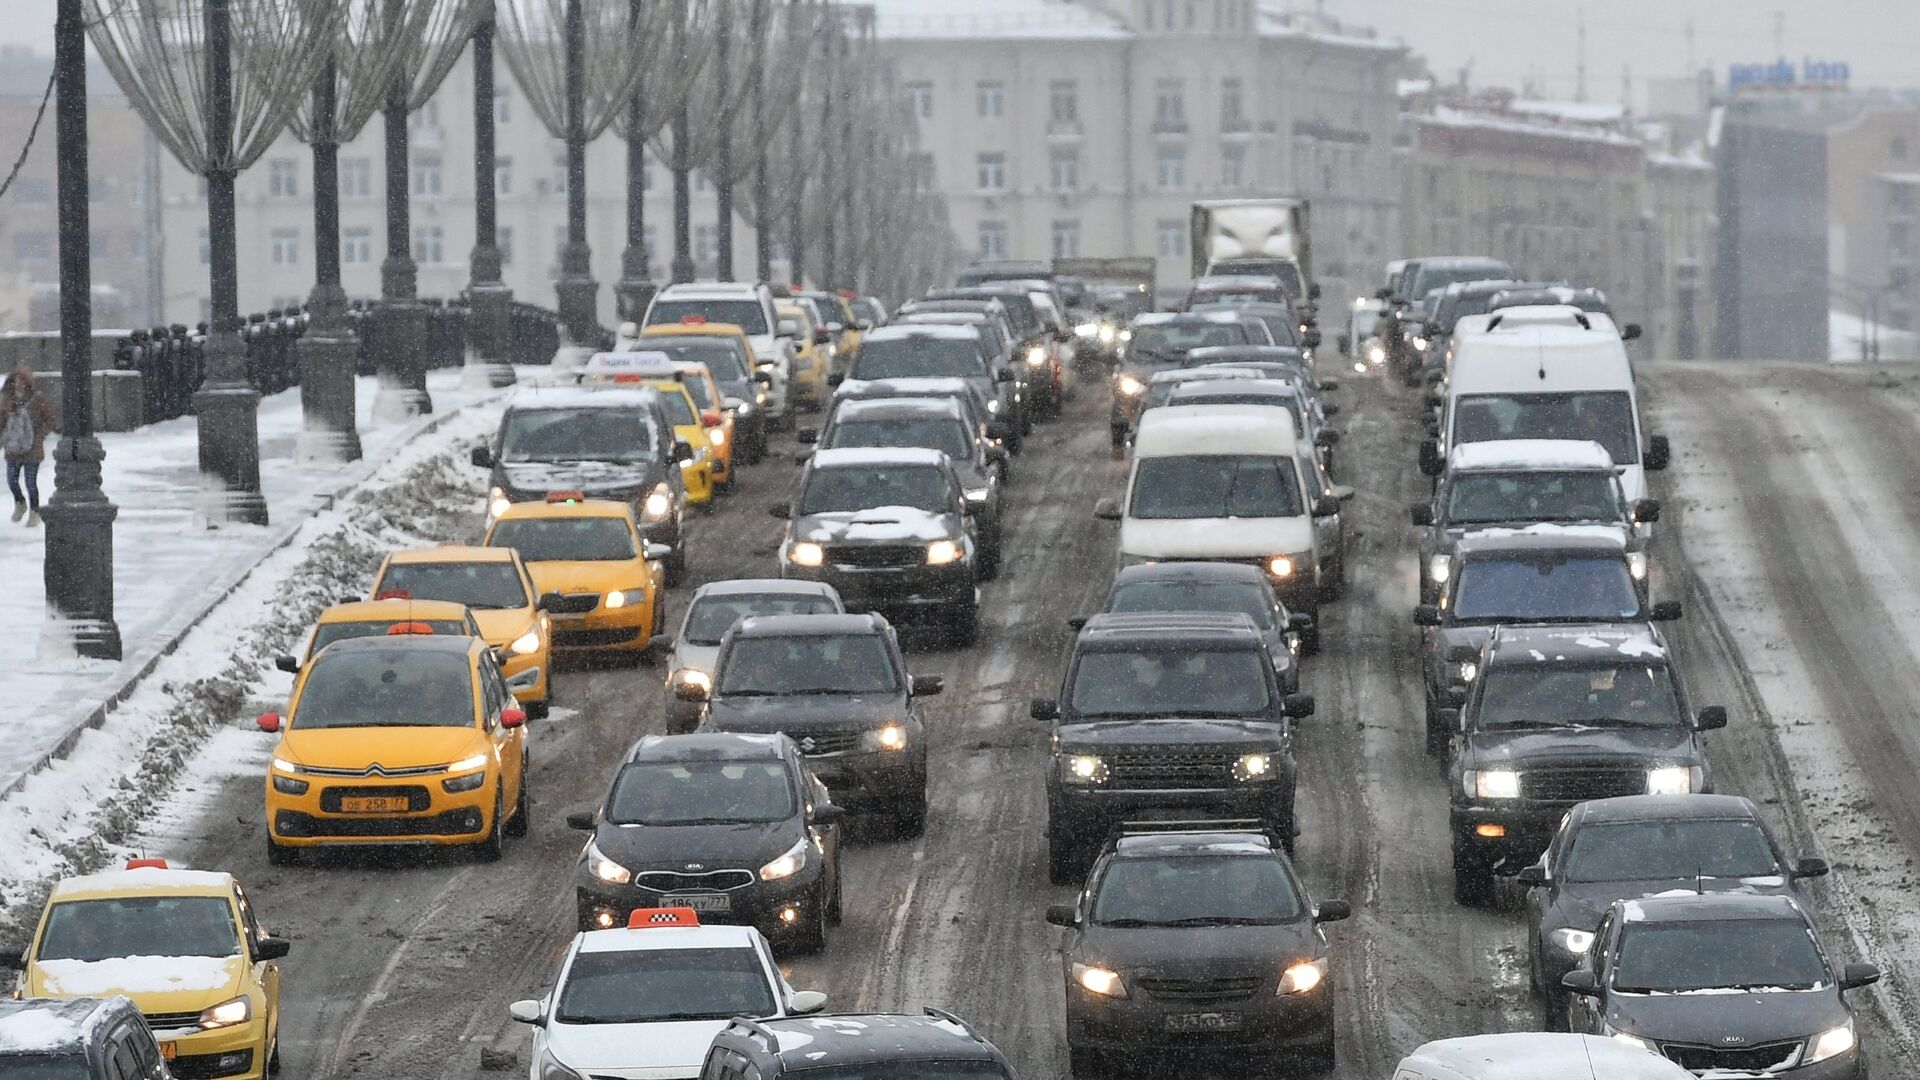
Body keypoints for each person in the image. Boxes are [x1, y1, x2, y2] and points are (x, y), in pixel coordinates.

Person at [2, 365, 56, 527]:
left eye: (21, 380)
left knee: (30, 483)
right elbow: (2, 423)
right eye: (15, 380)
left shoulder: (38, 399)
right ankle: (20, 503)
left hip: (32, 448)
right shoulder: (7, 400)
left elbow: (51, 419)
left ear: (27, 382)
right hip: (12, 448)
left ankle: (35, 511)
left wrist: (39, 437)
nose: (18, 383)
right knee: (12, 481)